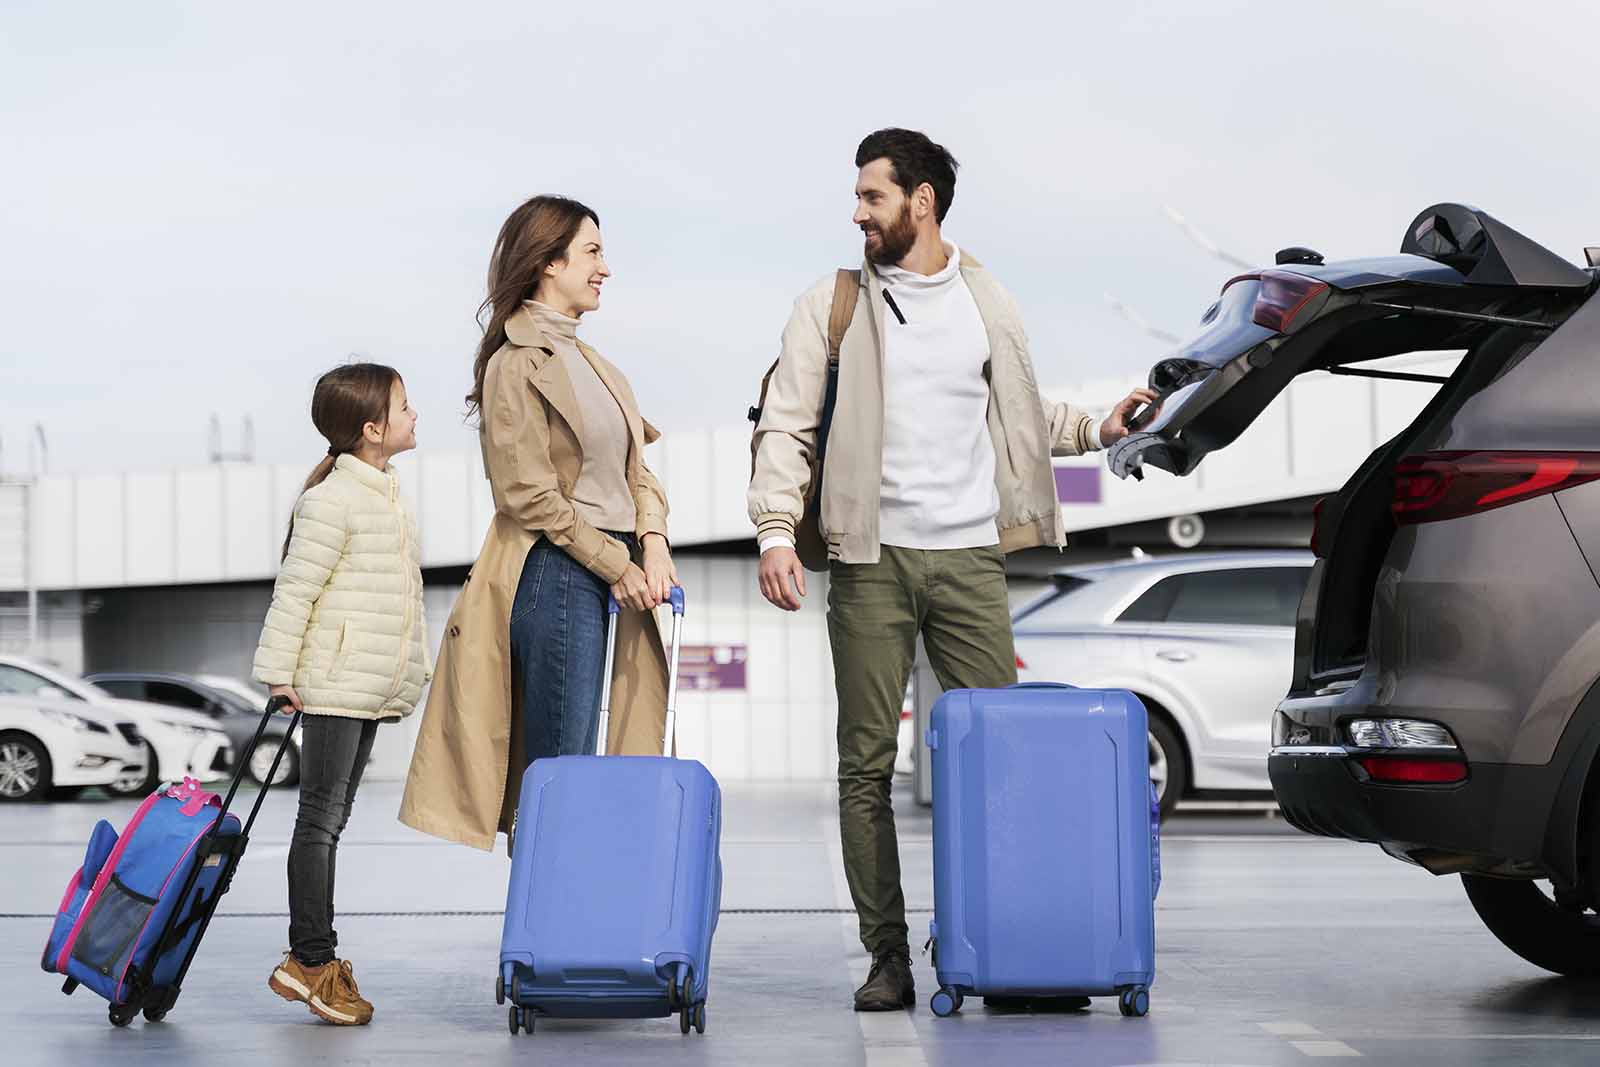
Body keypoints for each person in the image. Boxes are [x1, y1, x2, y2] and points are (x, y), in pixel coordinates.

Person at [748, 128, 1159, 1011]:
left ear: (921, 201)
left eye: (872, 197)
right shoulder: (834, 303)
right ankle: (888, 956)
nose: (858, 213)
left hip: (971, 556)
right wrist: (777, 530)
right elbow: (786, 421)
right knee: (866, 762)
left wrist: (1101, 429)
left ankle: (1011, 945)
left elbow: (1019, 408)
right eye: (858, 198)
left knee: (1000, 757)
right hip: (870, 558)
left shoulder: (986, 298)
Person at [399, 195, 677, 853]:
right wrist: (619, 565)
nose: (605, 267)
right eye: (592, 252)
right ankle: (538, 948)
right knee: (559, 774)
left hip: (618, 569)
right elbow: (528, 493)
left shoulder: (600, 367)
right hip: (556, 570)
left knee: (585, 773)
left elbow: (640, 471)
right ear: (549, 262)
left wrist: (655, 544)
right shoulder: (514, 363)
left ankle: (562, 932)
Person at [254, 362, 430, 1026]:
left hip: (362, 686)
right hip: (331, 684)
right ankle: (310, 961)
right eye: (405, 406)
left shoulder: (384, 493)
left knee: (330, 822)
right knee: (320, 823)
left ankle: (313, 958)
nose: (416, 414)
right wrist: (279, 673)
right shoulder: (330, 500)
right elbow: (294, 590)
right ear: (371, 428)